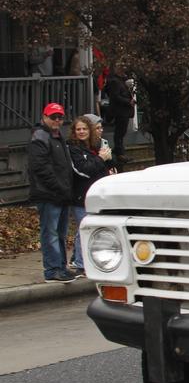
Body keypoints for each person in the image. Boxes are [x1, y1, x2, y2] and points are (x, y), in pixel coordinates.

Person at [27, 102, 75, 282]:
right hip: (48, 194)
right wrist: (60, 187)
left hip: (61, 194)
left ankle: (61, 267)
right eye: (53, 117)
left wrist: (65, 189)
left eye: (60, 117)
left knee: (60, 233)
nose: (57, 120)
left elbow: (63, 167)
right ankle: (52, 270)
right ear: (44, 117)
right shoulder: (40, 137)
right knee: (51, 233)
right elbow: (40, 168)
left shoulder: (57, 136)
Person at [67, 116, 113, 276]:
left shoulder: (96, 146)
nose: (81, 132)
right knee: (83, 229)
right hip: (81, 196)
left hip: (99, 196)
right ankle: (80, 265)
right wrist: (100, 158)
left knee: (98, 230)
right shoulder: (73, 148)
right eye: (78, 129)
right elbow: (83, 170)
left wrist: (106, 163)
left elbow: (106, 167)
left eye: (84, 129)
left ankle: (98, 262)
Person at [104, 66, 135, 163]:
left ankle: (119, 150)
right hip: (120, 111)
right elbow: (115, 96)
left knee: (122, 132)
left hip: (124, 111)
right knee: (119, 132)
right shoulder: (114, 81)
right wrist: (128, 101)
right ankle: (120, 153)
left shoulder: (122, 81)